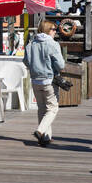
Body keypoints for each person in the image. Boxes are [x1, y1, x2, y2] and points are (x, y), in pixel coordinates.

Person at [23, 17, 67, 147]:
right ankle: (40, 131)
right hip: (49, 80)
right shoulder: (53, 44)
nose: (55, 32)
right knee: (52, 108)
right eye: (54, 29)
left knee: (42, 108)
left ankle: (46, 138)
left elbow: (26, 62)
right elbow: (60, 65)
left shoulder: (31, 44)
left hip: (35, 80)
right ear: (48, 30)